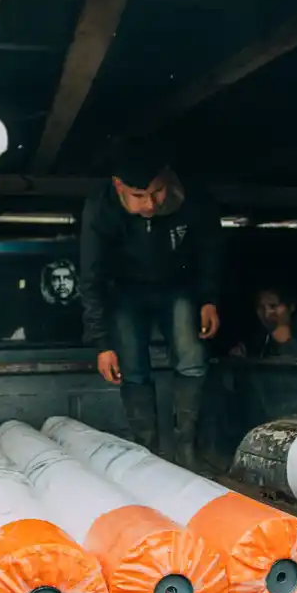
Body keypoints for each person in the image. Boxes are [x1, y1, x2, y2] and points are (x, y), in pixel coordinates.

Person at [78, 145, 223, 466]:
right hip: (125, 292)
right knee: (133, 369)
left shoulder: (193, 196)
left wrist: (209, 299)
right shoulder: (100, 208)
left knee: (193, 359)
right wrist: (102, 343)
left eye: (158, 191)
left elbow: (210, 249)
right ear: (119, 186)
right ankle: (149, 454)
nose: (151, 203)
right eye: (139, 196)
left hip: (178, 286)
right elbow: (91, 278)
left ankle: (188, 449)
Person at [230, 284, 297, 358]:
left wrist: (286, 343)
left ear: (291, 307)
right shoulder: (258, 336)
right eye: (261, 308)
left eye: (273, 306)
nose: (267, 314)